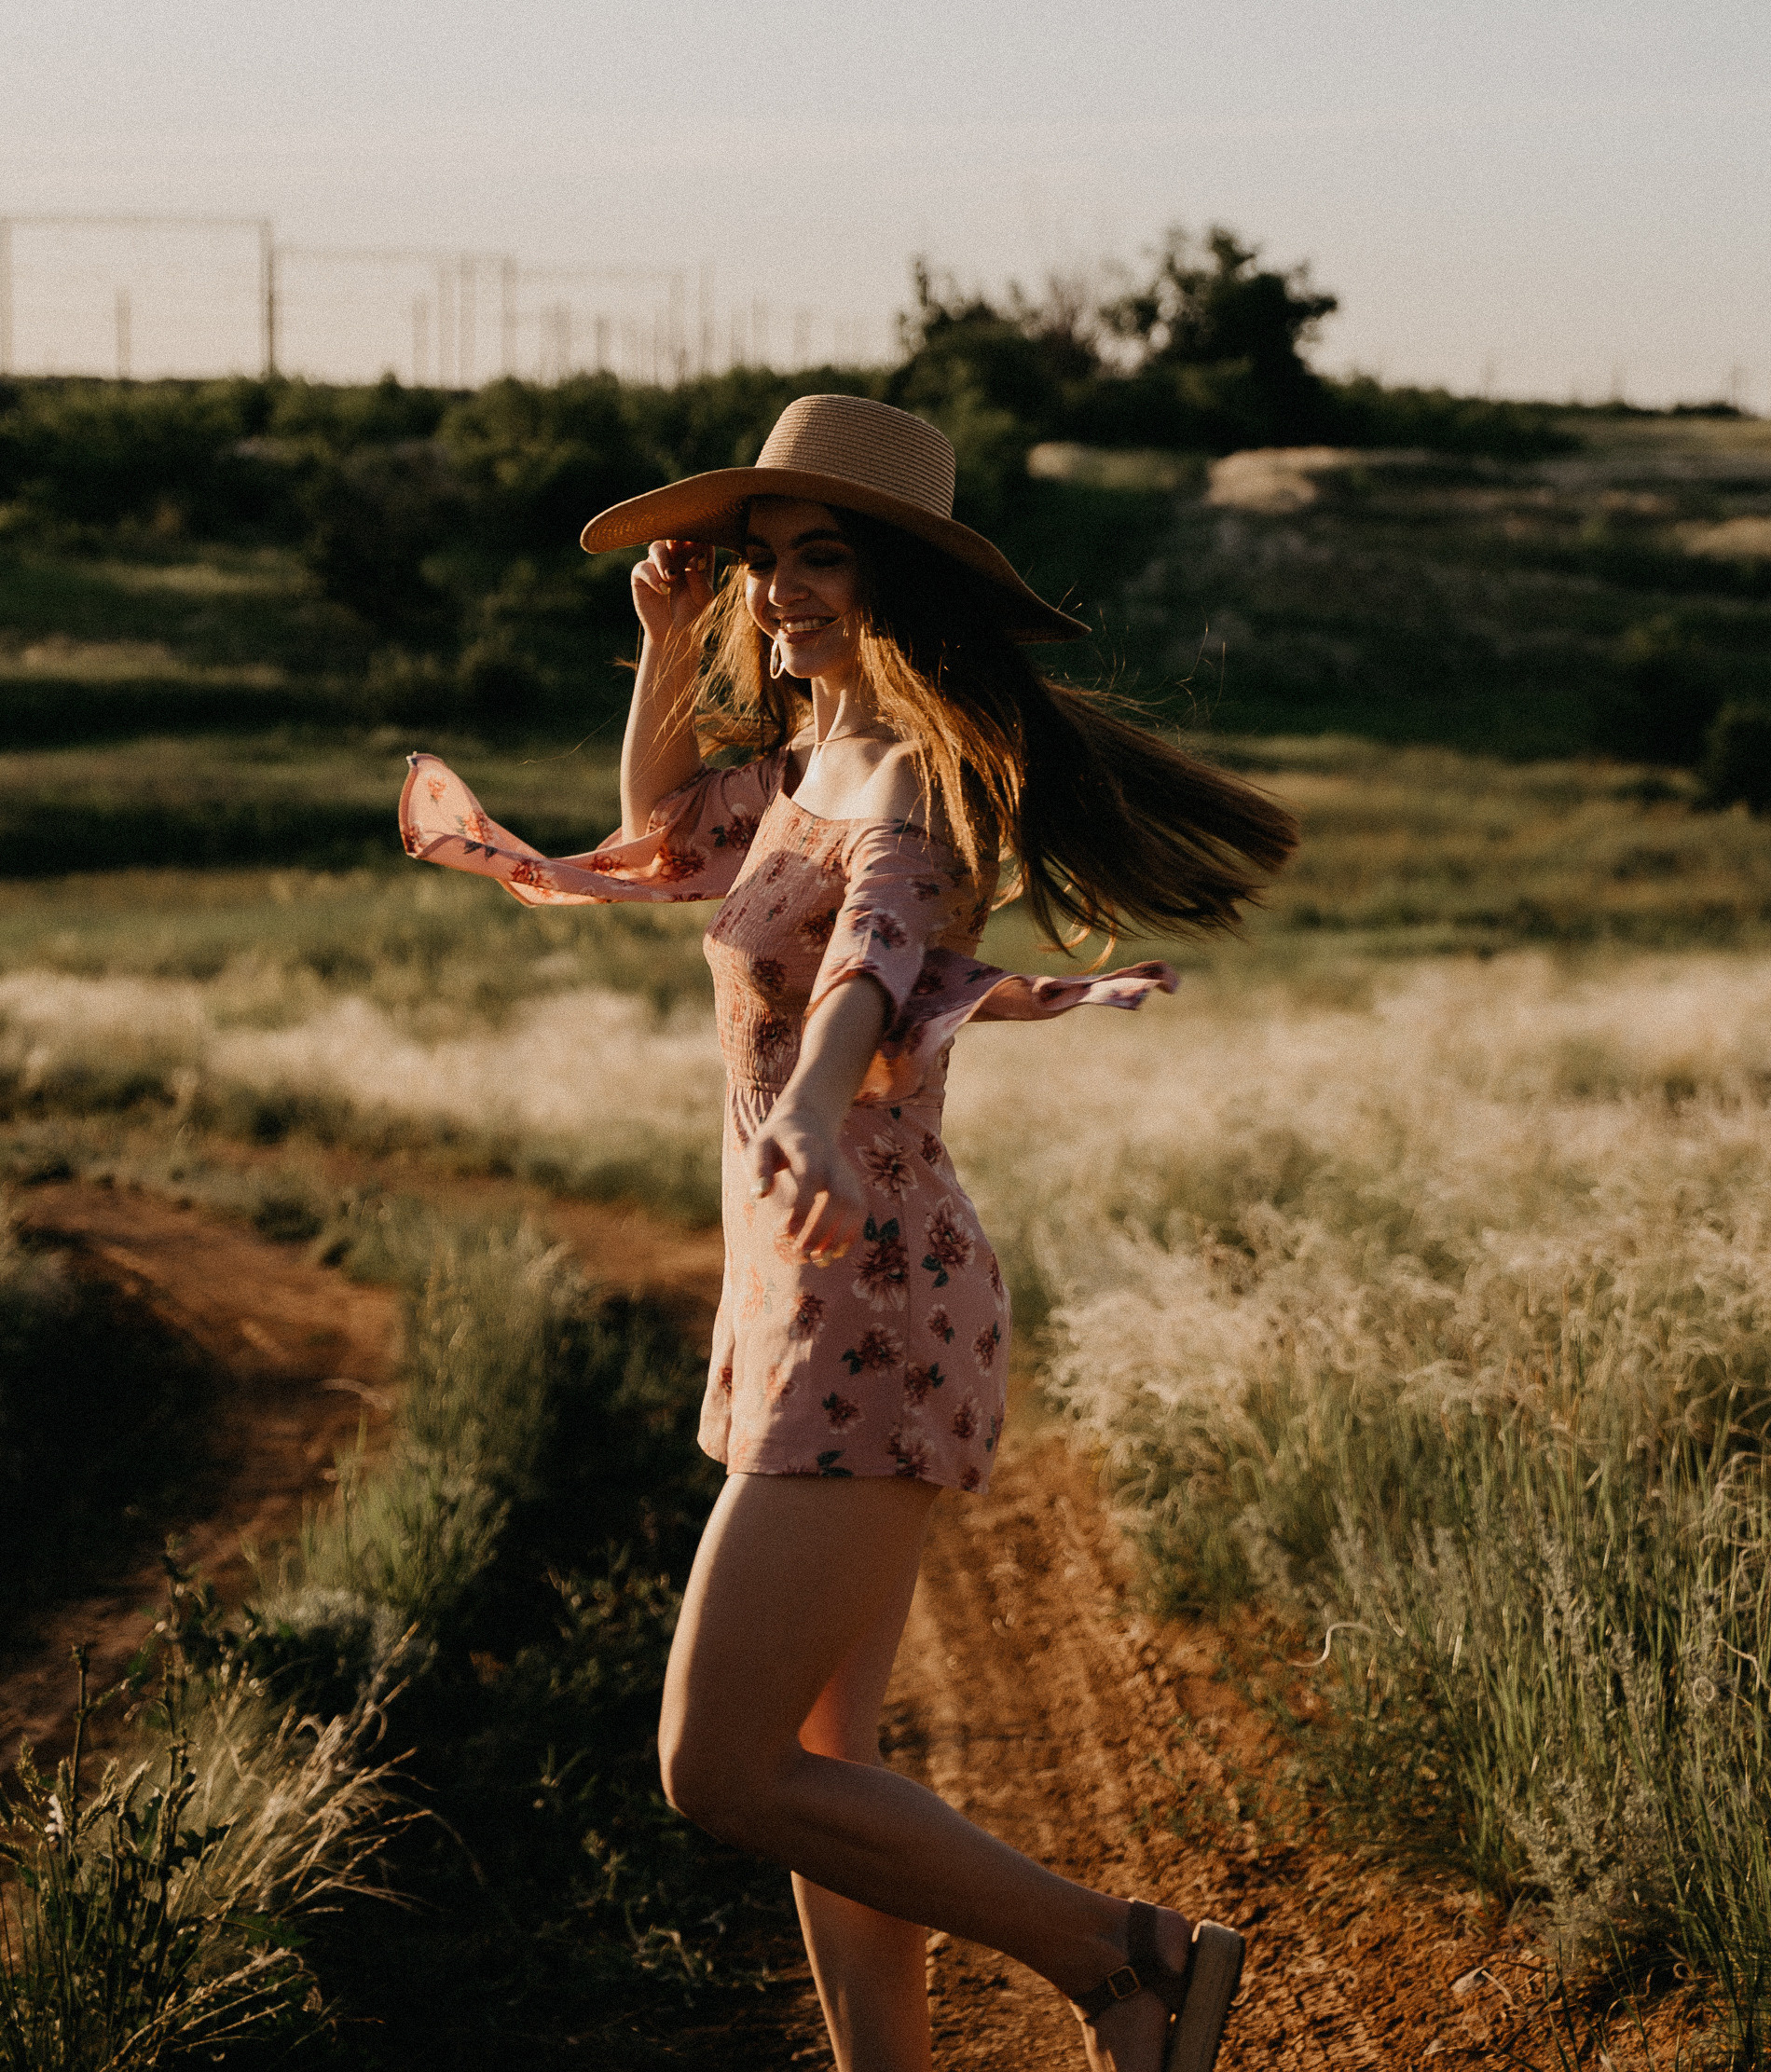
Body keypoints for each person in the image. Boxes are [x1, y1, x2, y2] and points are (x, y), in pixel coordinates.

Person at [399, 394, 1297, 2072]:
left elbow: (875, 957)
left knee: (718, 1767)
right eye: (763, 561)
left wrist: (817, 1096)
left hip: (872, 1290)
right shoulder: (797, 767)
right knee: (826, 1752)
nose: (783, 589)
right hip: (805, 1289)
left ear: (899, 582)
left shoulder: (912, 781)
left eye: (821, 558)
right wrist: (667, 639)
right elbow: (666, 814)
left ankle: (1126, 1962)